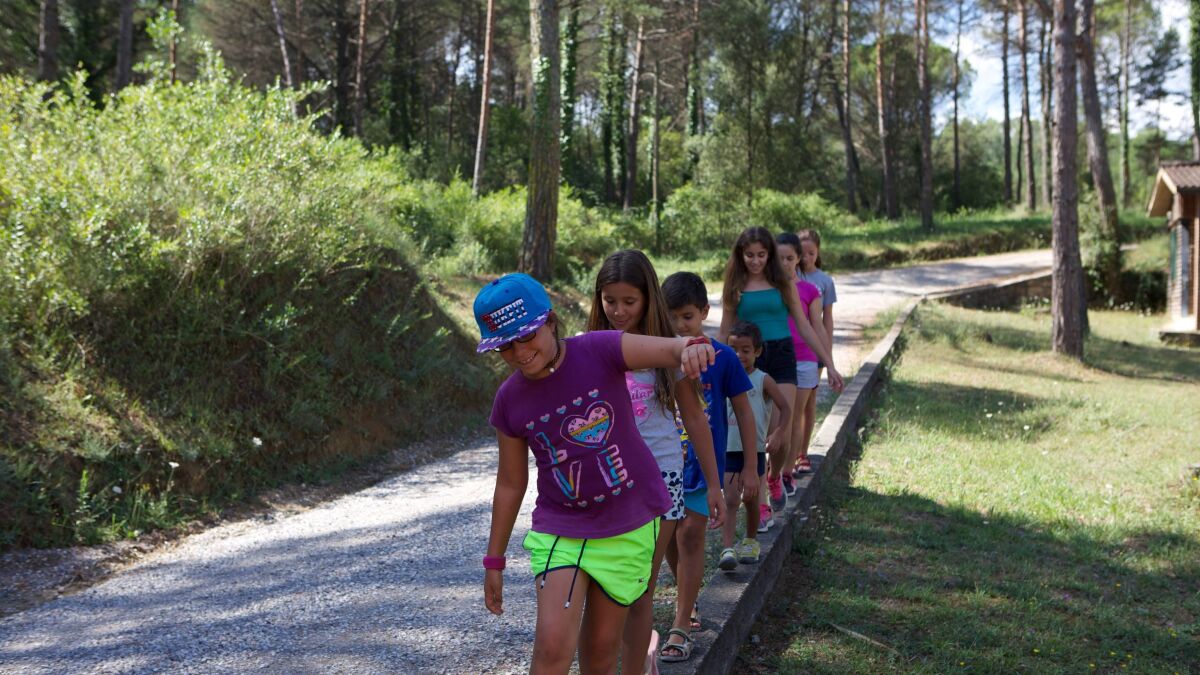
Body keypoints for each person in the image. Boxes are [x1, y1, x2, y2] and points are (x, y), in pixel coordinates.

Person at [479, 272, 718, 675]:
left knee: (601, 655)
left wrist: (690, 347)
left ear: (551, 321)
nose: (519, 352)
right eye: (505, 346)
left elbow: (670, 348)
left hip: (629, 524)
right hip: (561, 529)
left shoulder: (598, 349)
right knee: (551, 649)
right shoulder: (510, 400)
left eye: (527, 336)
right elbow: (510, 484)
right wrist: (494, 559)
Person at [585, 251, 725, 673]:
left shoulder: (668, 350)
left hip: (661, 477)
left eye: (629, 301)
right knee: (607, 586)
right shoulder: (588, 347)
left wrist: (714, 484)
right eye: (610, 300)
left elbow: (695, 418)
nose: (619, 311)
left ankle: (638, 667)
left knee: (640, 587)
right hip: (608, 478)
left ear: (648, 299)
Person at [659, 271, 757, 662]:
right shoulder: (657, 358)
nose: (679, 325)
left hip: (704, 469)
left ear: (704, 312)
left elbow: (744, 413)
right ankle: (688, 597)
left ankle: (681, 624)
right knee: (669, 539)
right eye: (671, 318)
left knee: (690, 535)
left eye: (687, 316)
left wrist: (750, 466)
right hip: (665, 468)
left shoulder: (724, 357)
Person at [719, 226, 844, 514]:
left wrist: (829, 363)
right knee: (756, 434)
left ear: (769, 254)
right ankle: (762, 504)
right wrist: (713, 365)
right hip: (748, 359)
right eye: (749, 255)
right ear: (740, 255)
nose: (755, 261)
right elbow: (725, 330)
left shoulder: (783, 282)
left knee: (781, 433)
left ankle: (775, 476)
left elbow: (805, 326)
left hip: (782, 355)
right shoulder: (735, 285)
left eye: (761, 254)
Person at [718, 321, 790, 571]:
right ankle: (727, 548)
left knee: (750, 499)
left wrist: (778, 433)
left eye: (746, 350)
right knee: (730, 499)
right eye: (734, 349)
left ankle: (750, 540)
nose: (739, 355)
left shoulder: (762, 380)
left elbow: (785, 407)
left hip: (755, 451)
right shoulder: (723, 379)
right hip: (728, 449)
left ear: (757, 351)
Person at [776, 232, 827, 487]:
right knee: (775, 419)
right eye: (780, 258)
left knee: (795, 417)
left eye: (789, 258)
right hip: (774, 358)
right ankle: (773, 470)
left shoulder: (810, 290)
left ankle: (787, 471)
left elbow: (817, 326)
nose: (785, 263)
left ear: (798, 259)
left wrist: (828, 361)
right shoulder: (768, 289)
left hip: (805, 359)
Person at [793, 228, 838, 480]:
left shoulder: (825, 281)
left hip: (815, 348)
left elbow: (826, 320)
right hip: (792, 347)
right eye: (802, 252)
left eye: (811, 253)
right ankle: (786, 453)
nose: (806, 257)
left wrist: (827, 351)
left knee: (809, 402)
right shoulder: (789, 276)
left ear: (818, 252)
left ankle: (802, 453)